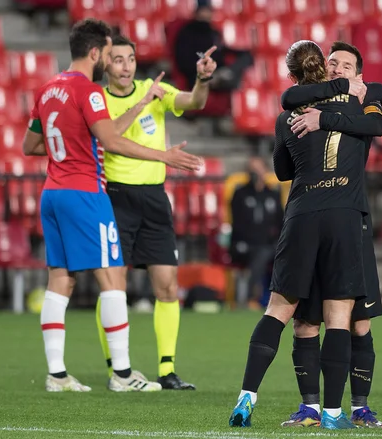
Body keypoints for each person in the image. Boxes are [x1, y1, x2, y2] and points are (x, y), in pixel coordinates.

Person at [21, 18, 202, 393]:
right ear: (94, 52)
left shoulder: (47, 89)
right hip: (86, 192)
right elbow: (111, 140)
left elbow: (30, 146)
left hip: (52, 192)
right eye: (107, 52)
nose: (111, 58)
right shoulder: (88, 91)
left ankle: (56, 375)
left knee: (60, 280)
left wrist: (72, 144)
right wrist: (163, 156)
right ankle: (122, 374)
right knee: (113, 277)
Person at [229, 40, 382, 430]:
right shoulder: (360, 105)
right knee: (338, 316)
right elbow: (379, 117)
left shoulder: (288, 114)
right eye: (332, 64)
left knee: (279, 309)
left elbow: (282, 169)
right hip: (344, 217)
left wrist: (309, 122)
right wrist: (349, 95)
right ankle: (333, 412)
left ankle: (248, 396)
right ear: (325, 69)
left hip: (301, 215)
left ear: (293, 73)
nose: (338, 69)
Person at [279, 41, 382, 428]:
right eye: (332, 63)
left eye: (346, 64)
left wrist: (325, 118)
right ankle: (311, 407)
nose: (338, 68)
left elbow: (379, 116)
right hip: (314, 220)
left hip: (351, 220)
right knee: (307, 321)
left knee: (358, 321)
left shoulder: (361, 101)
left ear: (359, 73)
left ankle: (360, 406)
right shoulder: (307, 103)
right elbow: (290, 97)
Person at [94, 33, 217, 390]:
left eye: (130, 59)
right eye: (118, 59)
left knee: (167, 286)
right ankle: (117, 369)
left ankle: (167, 370)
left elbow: (193, 102)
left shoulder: (153, 88)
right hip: (116, 198)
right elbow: (112, 140)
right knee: (112, 288)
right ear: (105, 63)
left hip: (153, 199)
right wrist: (143, 101)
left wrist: (202, 79)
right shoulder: (98, 100)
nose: (126, 66)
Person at [229, 156, 284, 309]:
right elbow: (237, 222)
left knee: (279, 252)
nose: (255, 173)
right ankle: (250, 298)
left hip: (269, 244)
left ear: (265, 171)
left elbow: (281, 221)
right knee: (261, 253)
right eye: (252, 169)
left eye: (258, 169)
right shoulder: (240, 193)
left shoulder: (273, 194)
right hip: (244, 245)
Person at [174, 0, 253, 91]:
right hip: (199, 73)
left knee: (246, 57)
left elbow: (220, 49)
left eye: (209, 11)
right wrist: (205, 62)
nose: (207, 14)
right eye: (204, 11)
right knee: (232, 81)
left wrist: (240, 52)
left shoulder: (213, 31)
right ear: (197, 13)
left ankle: (226, 74)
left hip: (218, 70)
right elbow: (188, 56)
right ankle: (221, 77)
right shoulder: (187, 32)